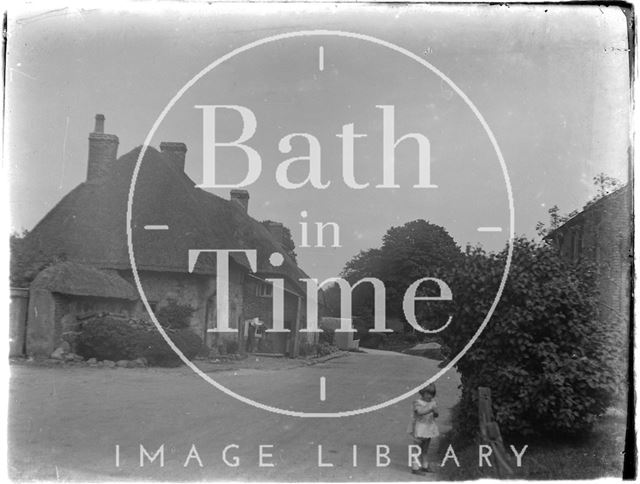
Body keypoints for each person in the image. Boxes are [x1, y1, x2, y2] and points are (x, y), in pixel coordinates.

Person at [408, 383, 439, 474]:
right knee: (417, 448)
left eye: (432, 394)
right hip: (420, 427)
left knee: (425, 448)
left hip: (429, 427)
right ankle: (415, 467)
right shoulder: (417, 402)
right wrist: (430, 409)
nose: (430, 396)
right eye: (428, 394)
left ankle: (425, 465)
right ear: (422, 393)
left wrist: (436, 412)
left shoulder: (433, 402)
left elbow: (436, 414)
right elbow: (420, 412)